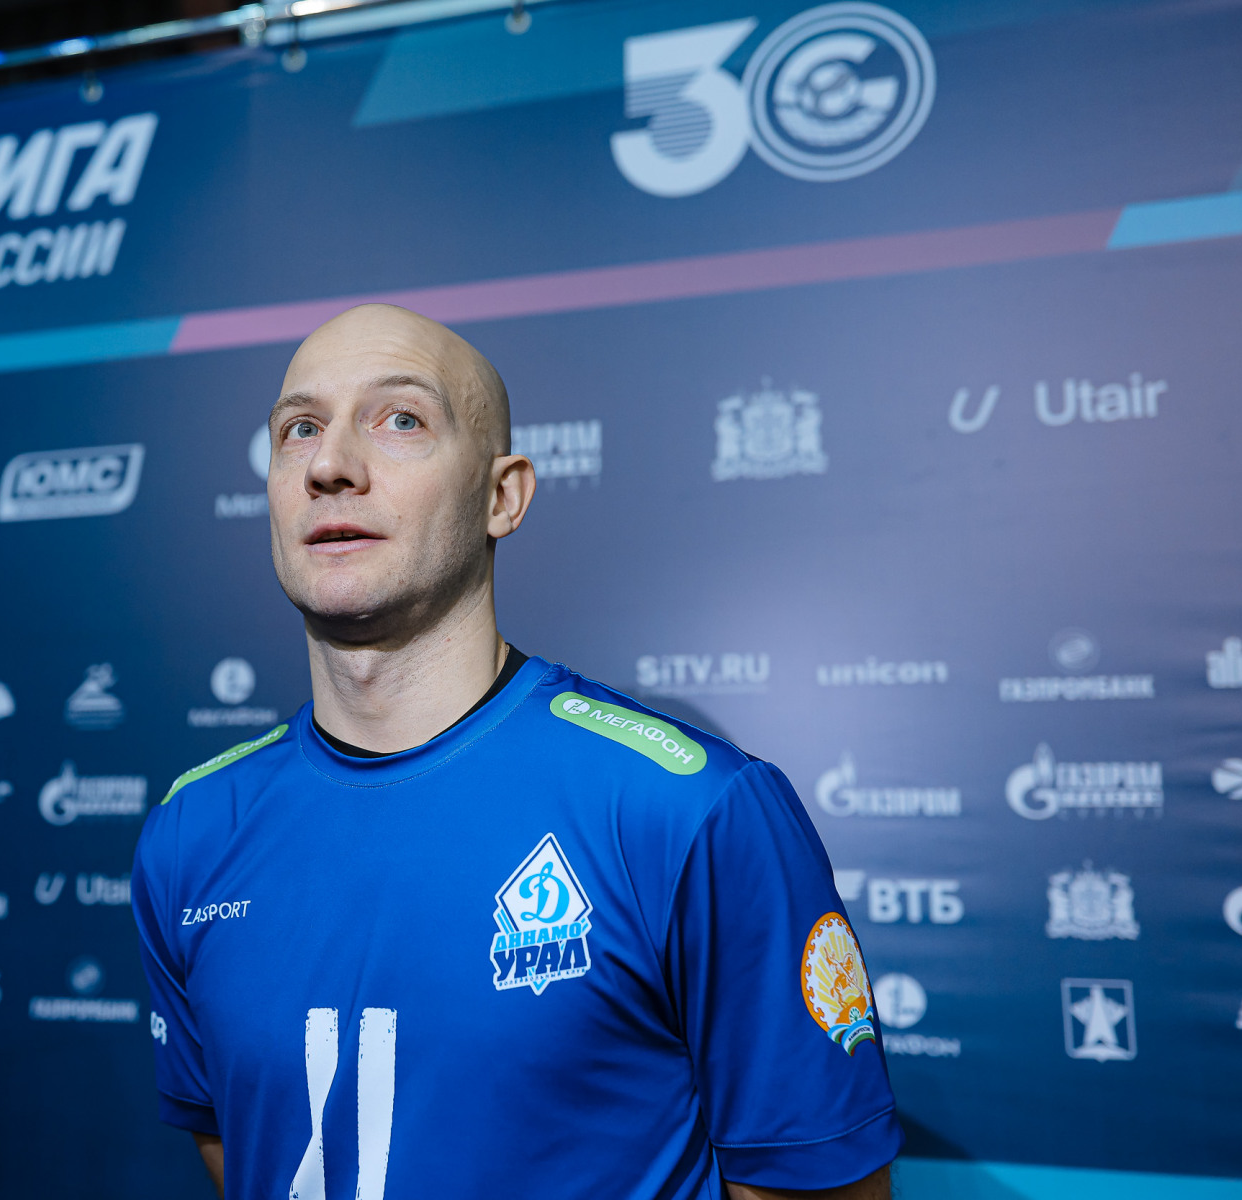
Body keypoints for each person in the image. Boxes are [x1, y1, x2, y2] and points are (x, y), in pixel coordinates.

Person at [131, 304, 900, 1200]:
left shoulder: (690, 810)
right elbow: (241, 1149)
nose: (330, 465)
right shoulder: (192, 832)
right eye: (299, 428)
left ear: (503, 496)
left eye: (401, 420)